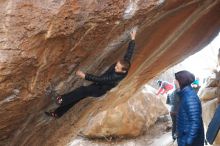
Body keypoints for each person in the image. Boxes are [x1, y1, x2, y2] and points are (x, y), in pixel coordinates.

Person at [45, 30, 137, 118]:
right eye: (116, 65)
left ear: (123, 71)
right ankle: (58, 113)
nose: (115, 67)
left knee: (82, 90)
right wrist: (133, 39)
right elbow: (129, 53)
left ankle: (62, 100)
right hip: (99, 85)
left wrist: (85, 76)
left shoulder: (115, 76)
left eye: (117, 68)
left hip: (99, 89)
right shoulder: (125, 64)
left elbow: (100, 79)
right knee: (77, 98)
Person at [175, 70, 204, 146]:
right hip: (184, 137)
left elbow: (195, 122)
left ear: (181, 81)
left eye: (176, 80)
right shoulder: (185, 95)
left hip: (189, 141)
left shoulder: (190, 97)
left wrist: (188, 142)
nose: (174, 82)